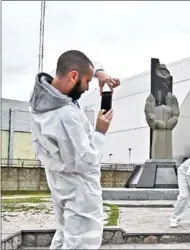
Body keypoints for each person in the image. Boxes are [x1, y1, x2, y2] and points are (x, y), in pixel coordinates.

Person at [29, 50, 120, 249]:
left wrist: (99, 73)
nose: (88, 87)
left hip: (60, 182)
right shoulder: (64, 116)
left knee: (64, 234)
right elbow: (84, 162)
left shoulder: (45, 94)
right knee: (82, 240)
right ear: (73, 76)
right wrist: (100, 132)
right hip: (78, 189)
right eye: (87, 81)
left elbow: (78, 63)